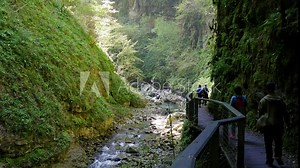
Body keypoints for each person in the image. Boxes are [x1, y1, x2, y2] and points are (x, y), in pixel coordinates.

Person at [257, 82, 290, 167]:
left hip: (267, 124)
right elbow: (285, 113)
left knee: (268, 143)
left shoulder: (263, 100)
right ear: (274, 89)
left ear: (267, 89)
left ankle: (269, 160)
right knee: (278, 141)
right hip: (278, 124)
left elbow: (260, 113)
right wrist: (288, 123)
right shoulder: (280, 100)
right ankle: (278, 156)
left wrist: (259, 122)